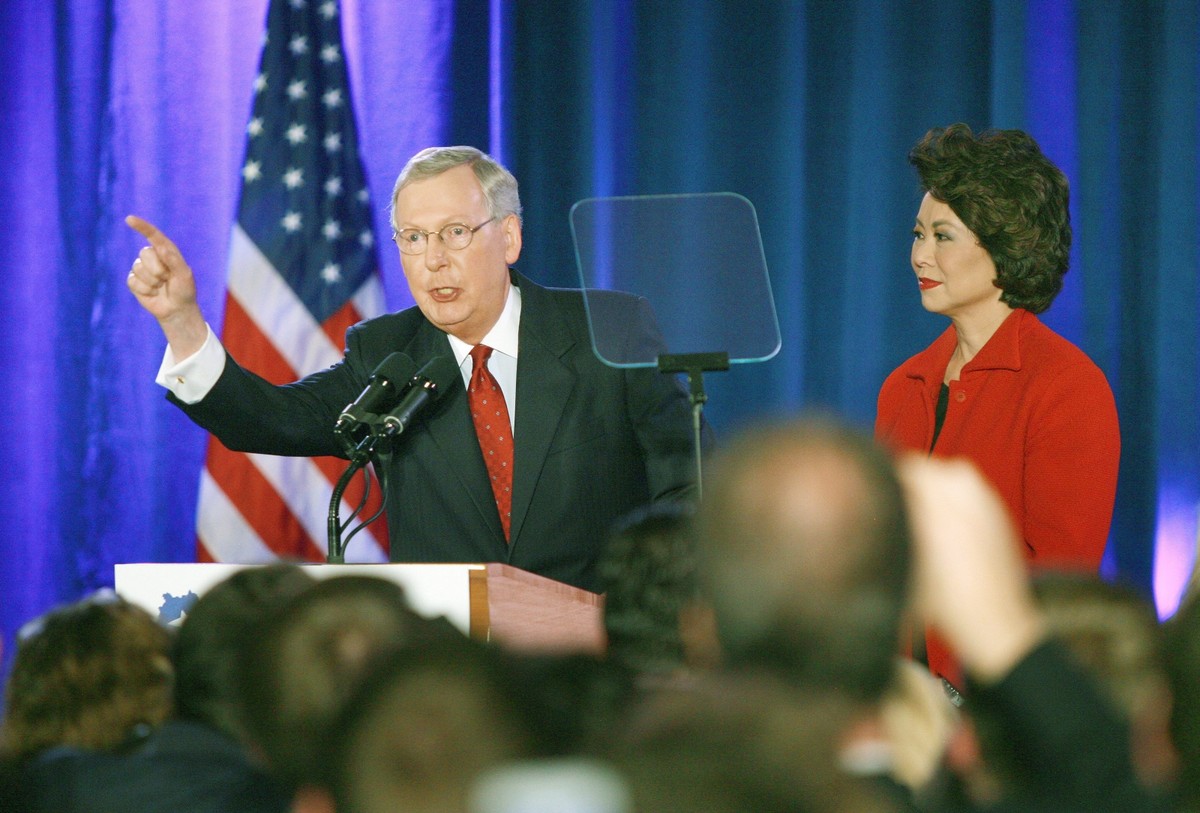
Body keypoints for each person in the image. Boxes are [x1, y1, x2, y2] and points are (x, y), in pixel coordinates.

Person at [125, 146, 704, 591]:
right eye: (413, 237)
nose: (432, 259)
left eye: (455, 233)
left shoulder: (611, 329)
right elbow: (269, 420)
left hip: (599, 657)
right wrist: (182, 324)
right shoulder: (389, 354)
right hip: (450, 678)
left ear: (509, 237)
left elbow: (685, 486)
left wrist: (648, 614)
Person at [875, 123, 1120, 686]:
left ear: (1006, 244)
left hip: (1001, 702)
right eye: (917, 234)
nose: (919, 256)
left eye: (943, 237)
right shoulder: (903, 385)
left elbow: (1061, 580)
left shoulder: (1066, 386)